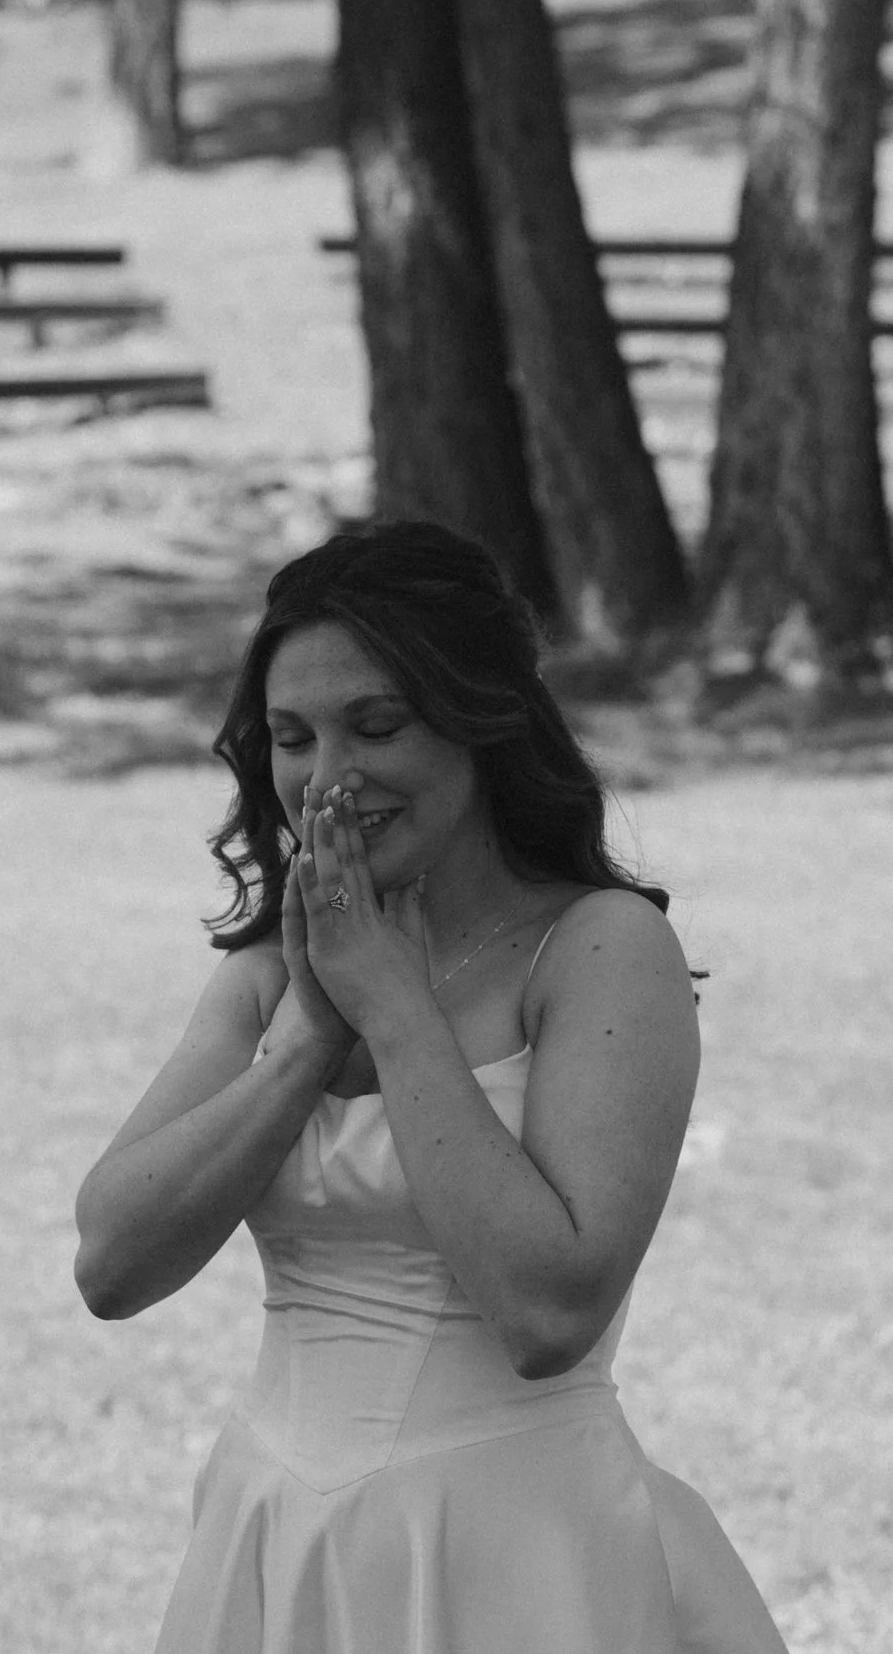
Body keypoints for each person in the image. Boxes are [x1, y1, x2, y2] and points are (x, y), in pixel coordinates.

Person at [74, 523, 784, 1653]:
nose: (328, 779)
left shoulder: (600, 950)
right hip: (275, 1542)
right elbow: (111, 1261)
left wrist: (397, 1011)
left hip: (512, 1549)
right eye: (293, 737)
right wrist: (310, 1036)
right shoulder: (272, 973)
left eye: (377, 725)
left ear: (481, 719)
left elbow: (548, 1309)